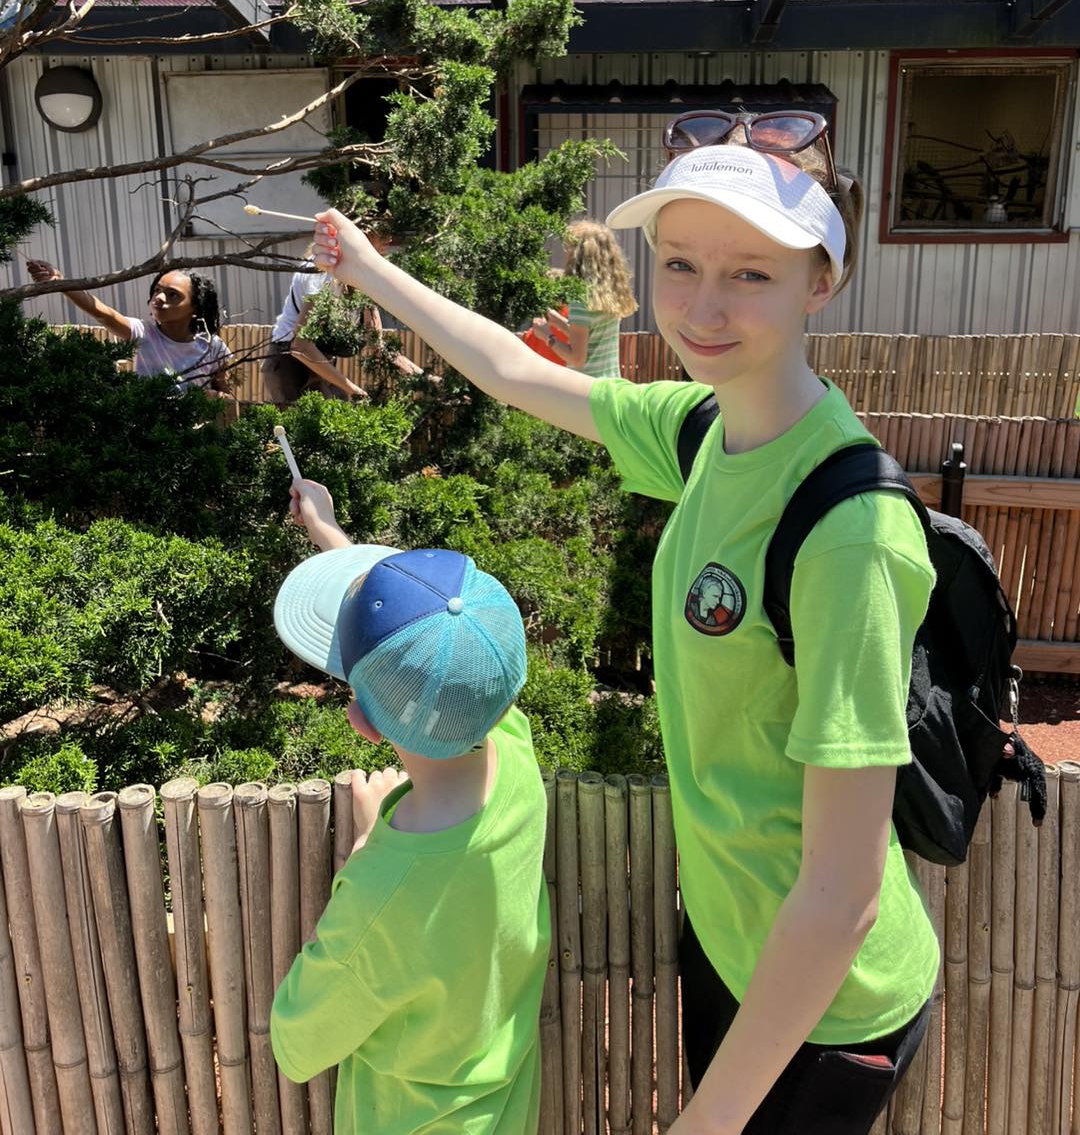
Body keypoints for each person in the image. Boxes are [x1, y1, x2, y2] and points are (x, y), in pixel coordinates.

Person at [307, 106, 940, 1135]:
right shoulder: (704, 430)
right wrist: (371, 271)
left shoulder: (847, 530)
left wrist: (708, 1121)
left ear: (822, 279)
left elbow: (841, 894)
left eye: (751, 273)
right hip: (734, 942)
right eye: (680, 263)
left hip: (826, 1002)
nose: (703, 306)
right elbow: (518, 373)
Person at [269, 476, 549, 1135]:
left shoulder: (381, 897)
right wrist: (329, 534)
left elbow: (296, 1044)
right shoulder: (514, 750)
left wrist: (368, 845)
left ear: (363, 725)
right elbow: (441, 647)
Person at [25, 259, 232, 395]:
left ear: (196, 307)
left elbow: (225, 394)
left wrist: (211, 397)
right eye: (157, 290)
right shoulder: (144, 333)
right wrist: (60, 282)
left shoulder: (213, 347)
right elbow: (104, 314)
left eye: (173, 295)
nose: (159, 298)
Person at [262, 257, 427, 404]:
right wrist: (353, 390)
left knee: (340, 406)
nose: (389, 241)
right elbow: (300, 346)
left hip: (321, 358)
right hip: (289, 359)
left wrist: (424, 379)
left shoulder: (362, 284)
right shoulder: (323, 275)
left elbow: (377, 345)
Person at [529, 219, 637, 378]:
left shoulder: (580, 299)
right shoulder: (606, 293)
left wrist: (546, 335)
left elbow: (577, 359)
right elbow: (590, 337)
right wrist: (558, 321)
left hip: (585, 387)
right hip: (609, 383)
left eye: (569, 250)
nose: (566, 256)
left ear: (578, 256)